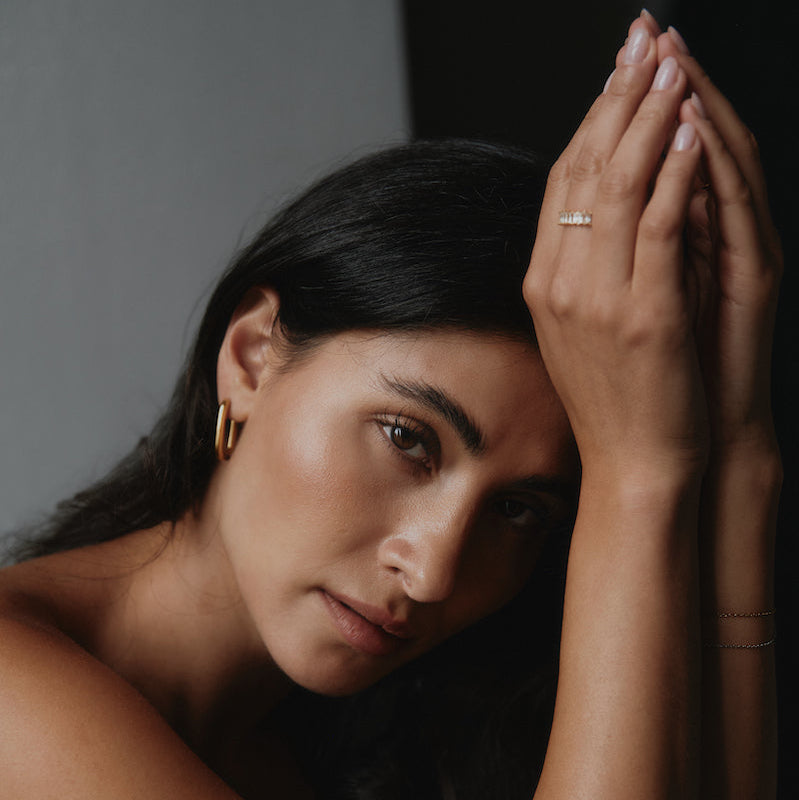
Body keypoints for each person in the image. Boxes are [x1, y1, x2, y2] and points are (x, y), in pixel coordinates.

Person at [0, 12, 781, 799]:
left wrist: (737, 454)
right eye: (407, 438)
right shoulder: (13, 687)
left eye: (516, 510)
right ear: (251, 356)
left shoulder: (338, 749)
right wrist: (637, 474)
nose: (434, 573)